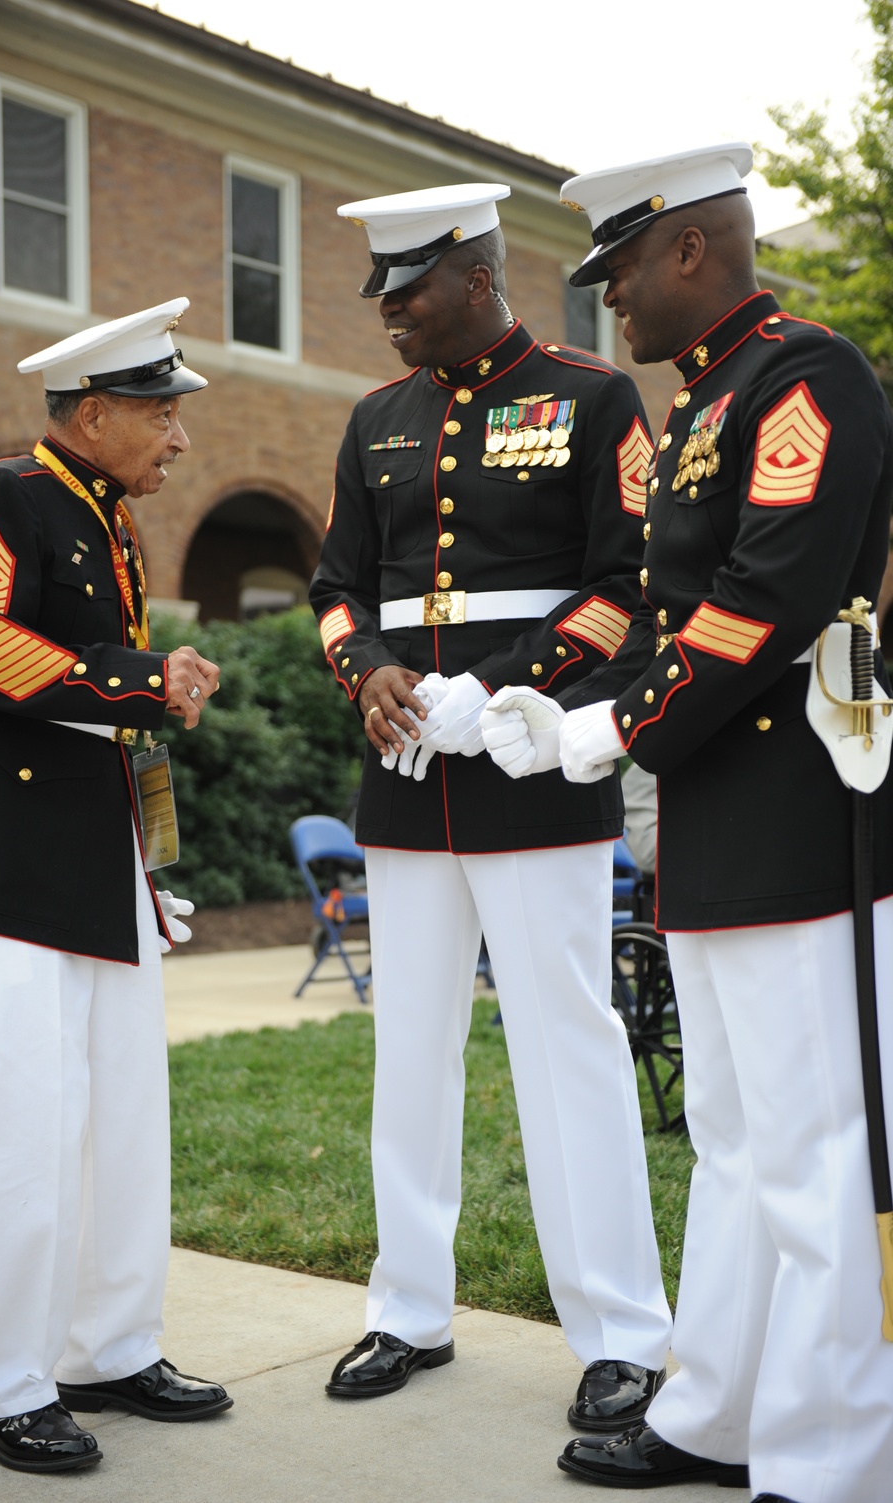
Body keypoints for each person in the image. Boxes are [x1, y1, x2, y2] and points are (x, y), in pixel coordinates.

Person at [481, 144, 893, 1502]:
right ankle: (717, 1413)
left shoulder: (805, 377)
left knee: (823, 1149)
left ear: (694, 251)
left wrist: (613, 727)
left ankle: (832, 1458)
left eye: (621, 272)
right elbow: (662, 617)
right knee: (731, 1134)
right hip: (721, 825)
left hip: (800, 822)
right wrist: (540, 703)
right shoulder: (709, 402)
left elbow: (768, 602)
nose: (608, 303)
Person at [309, 184, 672, 1419]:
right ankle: (406, 1308)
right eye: (383, 297)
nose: (390, 317)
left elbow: (627, 588)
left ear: (474, 273)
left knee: (570, 1046)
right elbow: (333, 589)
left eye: (407, 292)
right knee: (407, 1050)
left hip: (527, 767)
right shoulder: (375, 420)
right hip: (406, 776)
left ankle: (622, 1330)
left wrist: (503, 689)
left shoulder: (591, 395)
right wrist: (367, 677)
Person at [0, 300, 232, 1474]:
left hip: (95, 845)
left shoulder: (111, 522)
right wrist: (140, 676)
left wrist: (152, 717)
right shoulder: (9, 495)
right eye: (162, 414)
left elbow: (104, 704)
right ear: (94, 414)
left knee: (126, 1111)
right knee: (35, 1116)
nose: (178, 440)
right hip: (2, 848)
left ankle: (108, 1344)